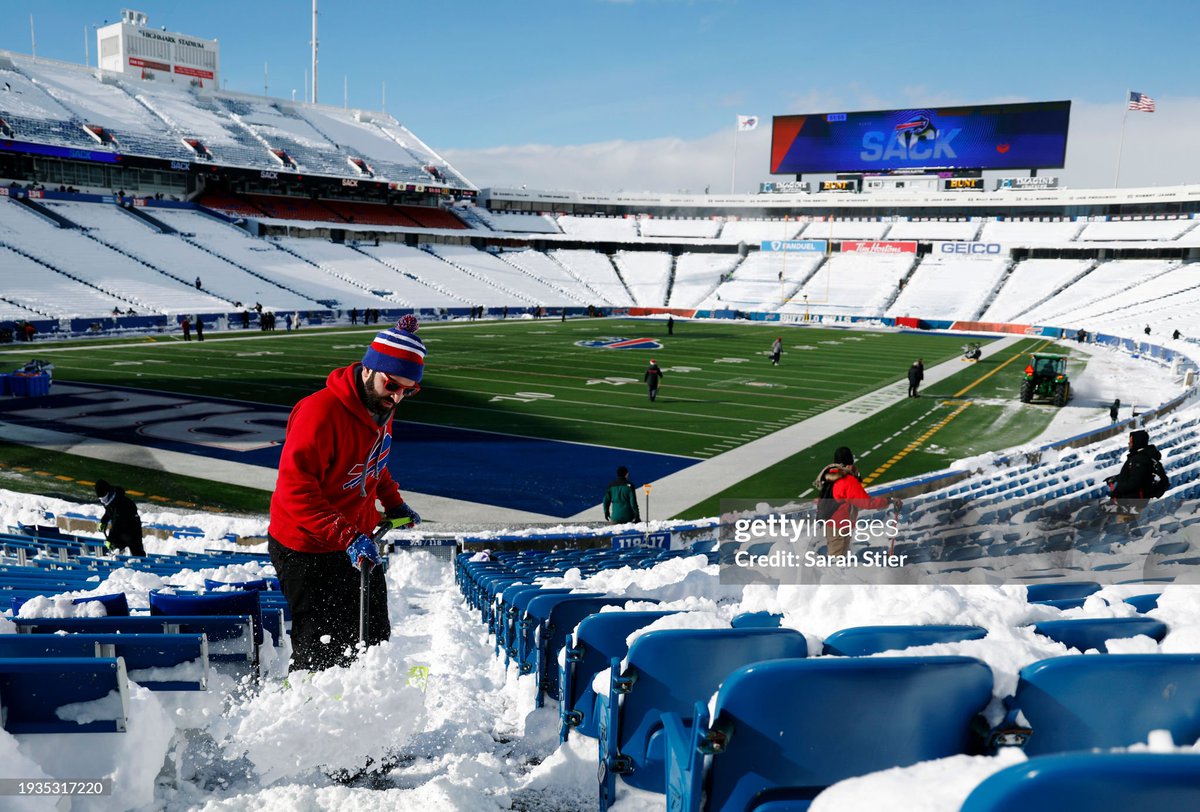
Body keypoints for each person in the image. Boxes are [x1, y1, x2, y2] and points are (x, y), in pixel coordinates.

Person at [268, 315, 426, 672]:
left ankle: (364, 710)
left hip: (353, 541)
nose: (398, 396)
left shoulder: (380, 407)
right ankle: (305, 715)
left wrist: (394, 502)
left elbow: (373, 463)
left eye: (408, 390)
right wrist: (348, 535)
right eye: (392, 385)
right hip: (306, 547)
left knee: (373, 638)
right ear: (371, 370)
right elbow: (297, 491)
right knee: (321, 650)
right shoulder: (320, 413)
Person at [814, 447, 900, 558]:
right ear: (849, 462)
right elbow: (867, 503)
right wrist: (888, 500)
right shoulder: (847, 480)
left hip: (833, 523)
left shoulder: (831, 474)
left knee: (837, 559)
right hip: (840, 525)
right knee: (836, 563)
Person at [1107, 429, 1168, 513]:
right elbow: (1135, 474)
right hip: (1135, 501)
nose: (1129, 444)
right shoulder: (1144, 456)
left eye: (1131, 441)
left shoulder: (1139, 459)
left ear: (1137, 442)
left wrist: (1117, 490)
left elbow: (1135, 482)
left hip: (1131, 503)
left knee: (1124, 524)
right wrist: (1117, 478)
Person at [95, 479, 145, 556]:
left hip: (132, 528)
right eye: (100, 498)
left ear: (107, 493)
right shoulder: (109, 500)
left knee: (136, 551)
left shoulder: (120, 502)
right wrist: (103, 521)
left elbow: (117, 523)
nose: (102, 500)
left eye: (103, 497)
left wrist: (110, 539)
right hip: (121, 529)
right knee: (117, 549)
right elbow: (109, 512)